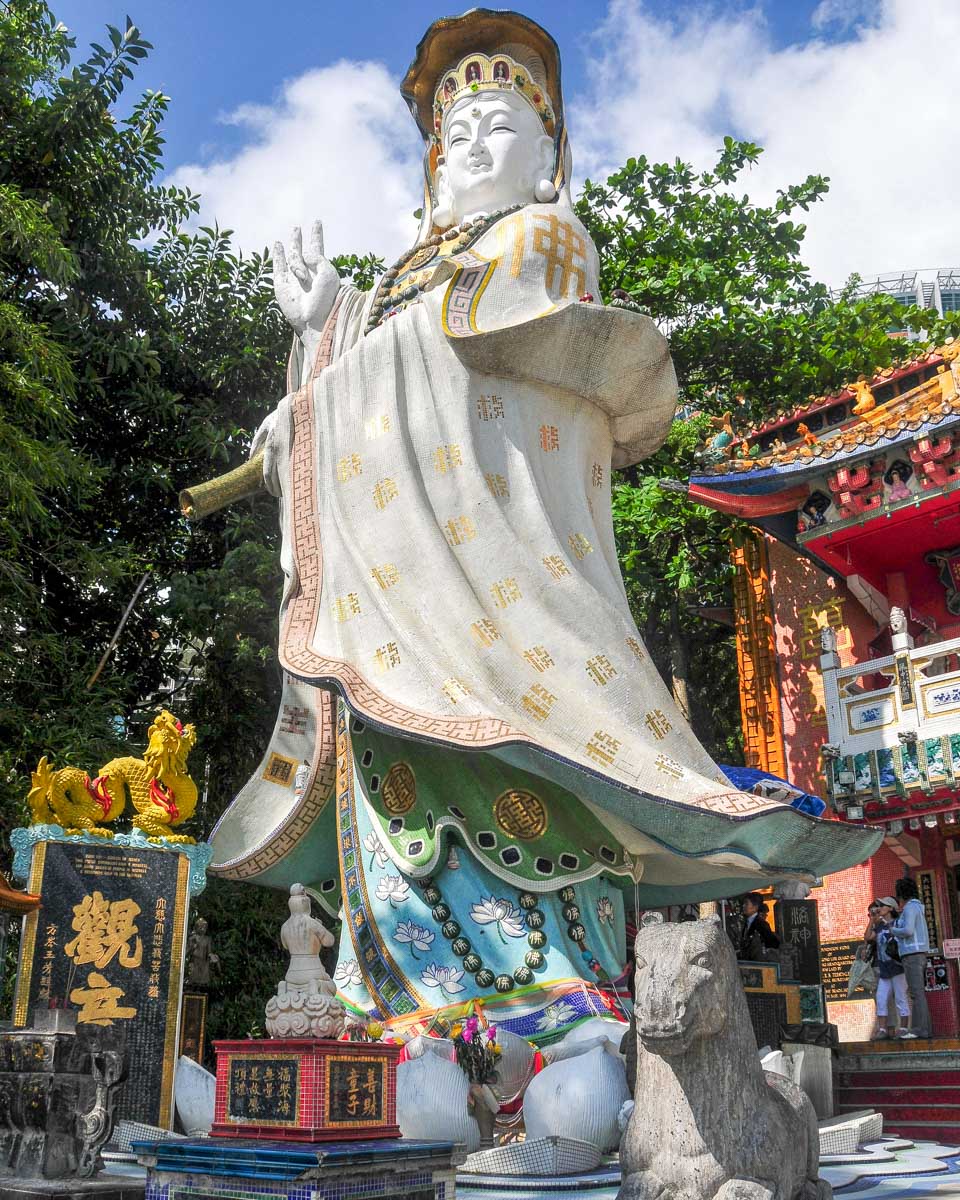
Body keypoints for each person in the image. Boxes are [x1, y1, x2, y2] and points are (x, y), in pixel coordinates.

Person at [204, 10, 880, 1043]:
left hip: (507, 616)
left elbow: (482, 348)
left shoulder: (543, 240)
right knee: (400, 809)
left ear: (548, 158)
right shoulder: (395, 283)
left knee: (525, 783)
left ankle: (558, 1025)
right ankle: (398, 1023)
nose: (474, 147)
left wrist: (326, 392)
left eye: (501, 129)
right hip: (399, 610)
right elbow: (373, 385)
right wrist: (323, 342)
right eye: (456, 134)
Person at [890, 877, 932, 1039]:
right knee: (918, 993)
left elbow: (907, 931)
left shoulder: (910, 908)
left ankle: (918, 1029)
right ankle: (924, 1029)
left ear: (901, 894)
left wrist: (893, 931)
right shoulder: (917, 907)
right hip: (918, 953)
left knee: (916, 993)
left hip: (912, 954)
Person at [871, 897, 911, 1040]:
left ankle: (904, 1028)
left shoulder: (898, 923)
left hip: (898, 968)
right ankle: (882, 1029)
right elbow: (868, 937)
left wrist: (889, 926)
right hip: (884, 970)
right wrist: (872, 919)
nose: (879, 907)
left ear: (891, 908)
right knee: (880, 998)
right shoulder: (879, 926)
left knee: (900, 998)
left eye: (882, 905)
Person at [738, 893, 780, 961]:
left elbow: (773, 943)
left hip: (758, 964)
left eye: (746, 904)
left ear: (755, 907)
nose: (743, 906)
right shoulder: (746, 923)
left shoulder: (761, 924)